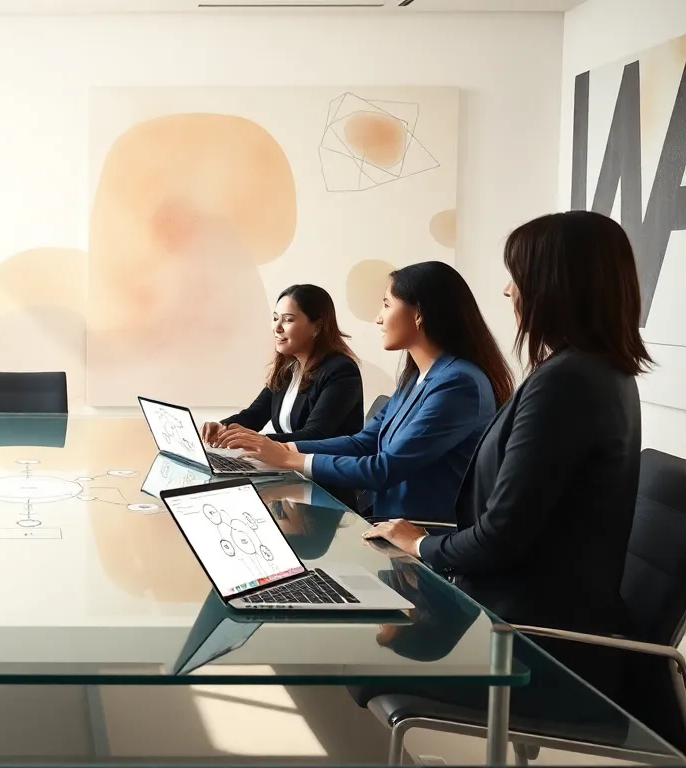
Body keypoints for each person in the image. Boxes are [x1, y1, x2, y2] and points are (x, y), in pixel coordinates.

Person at [365, 211, 652, 703]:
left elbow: (500, 536)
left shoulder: (565, 382)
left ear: (553, 286)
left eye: (516, 277)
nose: (507, 291)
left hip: (530, 642)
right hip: (533, 617)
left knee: (357, 652)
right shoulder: (603, 374)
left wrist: (418, 545)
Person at [224, 261, 512, 523]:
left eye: (386, 305)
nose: (378, 318)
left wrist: (289, 458)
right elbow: (364, 442)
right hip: (388, 524)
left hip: (425, 535)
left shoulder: (458, 384)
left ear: (419, 315)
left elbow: (383, 469)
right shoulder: (417, 378)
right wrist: (287, 448)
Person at [201, 283, 363, 446]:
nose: (277, 328)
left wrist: (255, 440)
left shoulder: (341, 370)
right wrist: (222, 427)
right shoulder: (289, 368)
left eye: (288, 320)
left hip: (321, 467)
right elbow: (254, 415)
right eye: (275, 318)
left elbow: (315, 436)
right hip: (287, 464)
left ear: (317, 326)